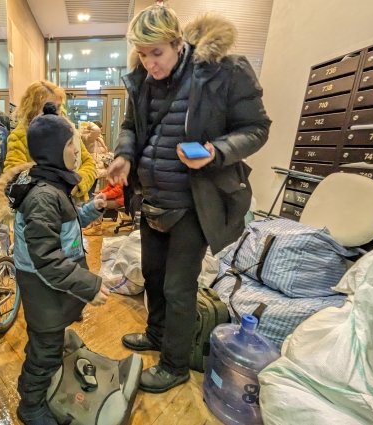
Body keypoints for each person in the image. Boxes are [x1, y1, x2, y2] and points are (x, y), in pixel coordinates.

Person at [107, 5, 271, 393]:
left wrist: (215, 150)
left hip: (195, 201)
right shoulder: (143, 79)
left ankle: (174, 364)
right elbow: (131, 126)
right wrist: (124, 155)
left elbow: (257, 128)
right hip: (152, 200)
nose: (150, 64)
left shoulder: (224, 72)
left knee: (179, 287)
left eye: (157, 53)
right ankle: (158, 333)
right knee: (153, 275)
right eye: (143, 55)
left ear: (178, 43)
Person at [6, 103, 110, 424]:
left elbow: (67, 223)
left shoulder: (52, 187)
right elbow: (47, 258)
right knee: (44, 348)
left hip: (52, 285)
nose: (77, 153)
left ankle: (47, 369)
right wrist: (89, 285)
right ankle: (31, 404)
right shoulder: (43, 196)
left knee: (49, 337)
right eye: (71, 146)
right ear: (55, 149)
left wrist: (92, 208)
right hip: (44, 286)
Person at [3, 80, 97, 202]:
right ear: (33, 109)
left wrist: (77, 184)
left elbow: (89, 163)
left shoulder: (69, 131)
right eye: (50, 107)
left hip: (74, 204)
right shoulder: (21, 136)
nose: (57, 112)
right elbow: (14, 175)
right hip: (43, 204)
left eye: (58, 107)